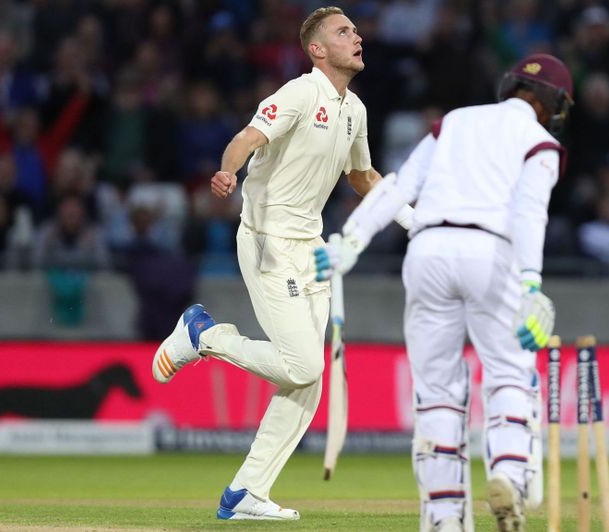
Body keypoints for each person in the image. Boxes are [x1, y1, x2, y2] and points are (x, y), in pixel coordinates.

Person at [148, 6, 412, 521]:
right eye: (343, 32)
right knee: (305, 366)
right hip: (268, 241)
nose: (356, 36)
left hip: (309, 249)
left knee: (305, 383)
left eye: (355, 30)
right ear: (318, 49)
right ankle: (203, 335)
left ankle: (246, 492)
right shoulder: (299, 93)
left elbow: (362, 178)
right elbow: (246, 140)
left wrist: (413, 219)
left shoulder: (353, 109)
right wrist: (228, 171)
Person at [314, 54, 572, 532]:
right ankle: (510, 477)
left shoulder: (453, 122)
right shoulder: (541, 143)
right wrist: (532, 283)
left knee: (435, 394)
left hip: (427, 251)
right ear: (555, 105)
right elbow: (529, 212)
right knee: (509, 374)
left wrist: (350, 242)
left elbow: (397, 186)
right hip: (491, 254)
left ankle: (444, 517)